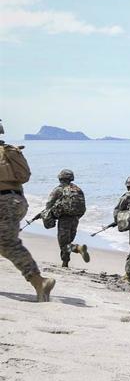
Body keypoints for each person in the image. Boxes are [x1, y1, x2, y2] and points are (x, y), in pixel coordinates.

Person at [0, 120, 55, 301]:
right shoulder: (8, 151)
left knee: (7, 243)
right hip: (16, 201)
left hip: (4, 203)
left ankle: (39, 281)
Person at [42, 169, 90, 268]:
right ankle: (65, 264)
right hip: (75, 219)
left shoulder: (58, 189)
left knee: (64, 244)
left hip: (64, 219)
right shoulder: (78, 189)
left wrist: (47, 214)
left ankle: (78, 248)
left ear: (60, 178)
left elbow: (49, 204)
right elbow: (82, 206)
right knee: (67, 243)